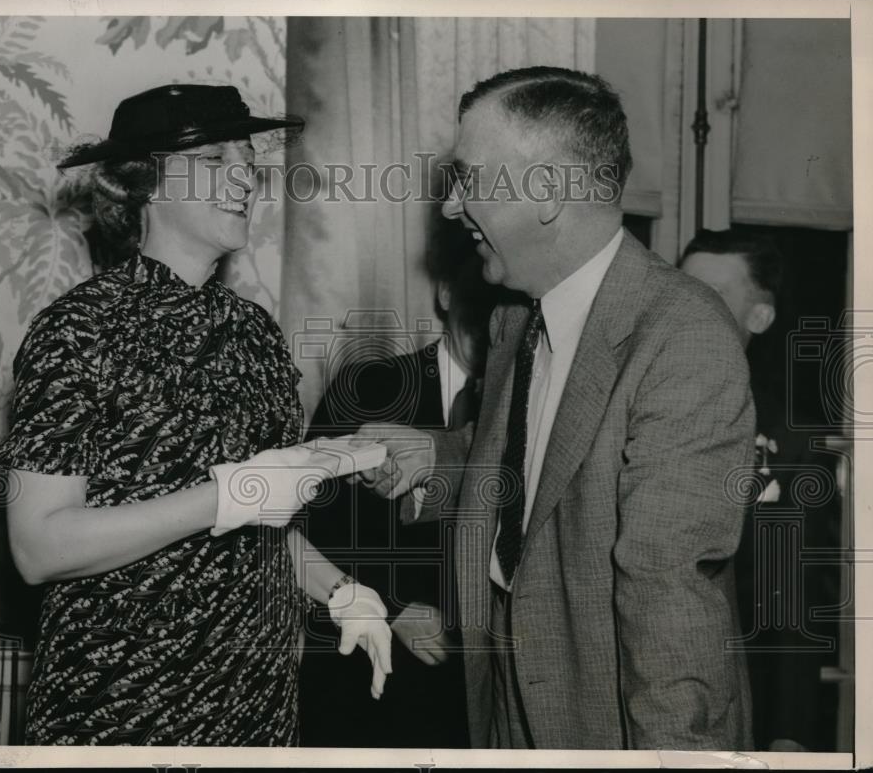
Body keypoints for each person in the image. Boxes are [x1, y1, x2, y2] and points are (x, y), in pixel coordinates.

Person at [353, 66, 755, 749]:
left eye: (470, 179)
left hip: (609, 714)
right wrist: (435, 458)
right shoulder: (517, 313)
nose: (451, 209)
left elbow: (669, 592)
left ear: (546, 192)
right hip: (504, 693)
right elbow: (538, 460)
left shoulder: (683, 338)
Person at [0, 84, 392, 746]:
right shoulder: (77, 333)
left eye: (246, 158)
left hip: (258, 710)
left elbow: (258, 519)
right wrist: (232, 494)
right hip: (120, 712)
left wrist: (341, 591)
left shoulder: (254, 334)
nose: (242, 178)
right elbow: (39, 547)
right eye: (211, 160)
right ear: (146, 182)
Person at [298, 235, 500, 748]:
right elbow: (308, 521)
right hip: (367, 679)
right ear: (446, 294)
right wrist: (394, 607)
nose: (490, 316)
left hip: (483, 691)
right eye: (477, 295)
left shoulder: (521, 409)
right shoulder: (369, 385)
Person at [680, 229, 841, 752]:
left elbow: (792, 601)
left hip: (725, 709)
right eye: (682, 289)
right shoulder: (615, 406)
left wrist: (788, 732)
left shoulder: (789, 442)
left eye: (715, 294)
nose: (690, 308)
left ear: (760, 318)